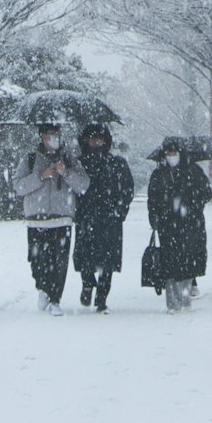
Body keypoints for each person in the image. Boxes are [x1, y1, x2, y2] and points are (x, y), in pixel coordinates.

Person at [13, 121, 89, 315]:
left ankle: (55, 299)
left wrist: (65, 172)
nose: (54, 138)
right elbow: (18, 186)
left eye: (57, 134)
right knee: (37, 261)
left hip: (61, 218)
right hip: (36, 219)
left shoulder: (68, 158)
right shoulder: (30, 159)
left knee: (59, 262)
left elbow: (83, 184)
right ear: (42, 137)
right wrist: (41, 176)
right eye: (50, 135)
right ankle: (42, 287)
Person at [73, 122, 135, 313]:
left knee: (108, 262)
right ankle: (87, 284)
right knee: (85, 257)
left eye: (99, 138)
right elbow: (72, 189)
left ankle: (102, 297)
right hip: (86, 217)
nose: (95, 142)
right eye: (91, 138)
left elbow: (127, 189)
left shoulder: (117, 164)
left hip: (110, 220)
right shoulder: (78, 163)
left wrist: (119, 212)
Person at [147, 136, 212, 313]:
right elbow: (152, 199)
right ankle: (172, 302)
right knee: (169, 264)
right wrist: (155, 218)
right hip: (167, 225)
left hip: (191, 224)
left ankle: (184, 295)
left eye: (174, 152)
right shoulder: (159, 174)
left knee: (188, 261)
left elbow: (206, 193)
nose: (171, 156)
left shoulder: (194, 171)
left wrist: (192, 205)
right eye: (168, 152)